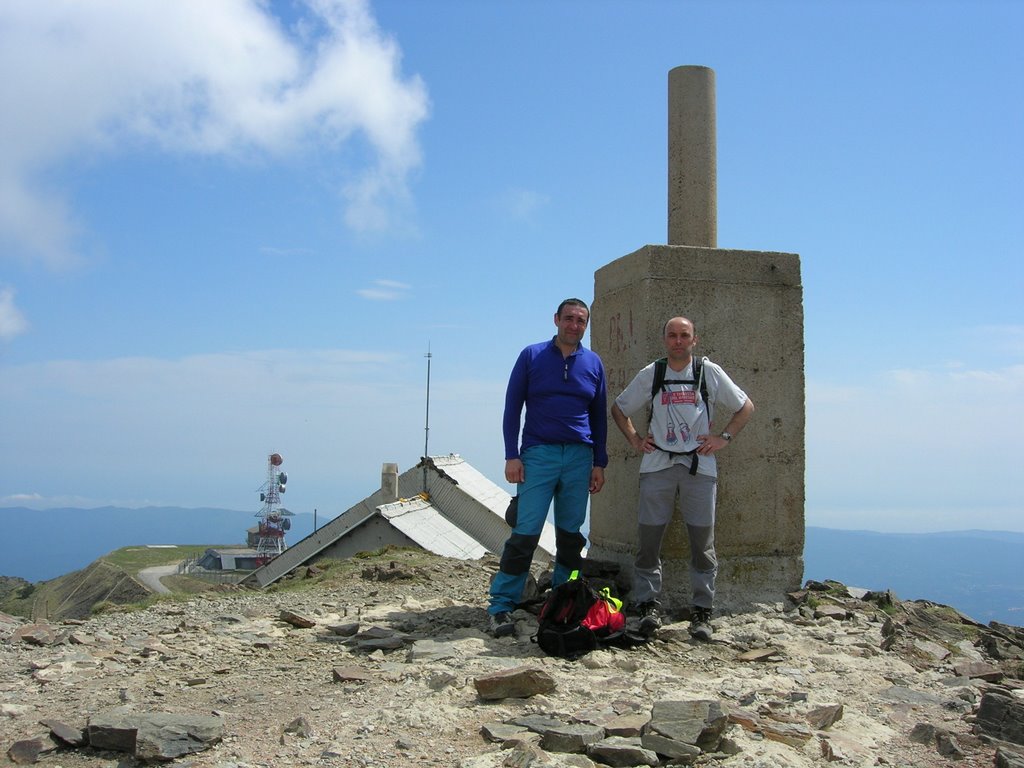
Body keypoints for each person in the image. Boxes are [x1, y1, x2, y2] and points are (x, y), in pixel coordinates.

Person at [610, 316, 753, 641]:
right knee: (649, 541)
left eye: (684, 335)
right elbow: (619, 408)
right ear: (665, 340)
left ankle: (702, 610)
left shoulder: (708, 372)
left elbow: (745, 407)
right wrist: (635, 440)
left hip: (699, 468)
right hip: (656, 465)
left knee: (702, 544)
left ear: (694, 339)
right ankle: (648, 606)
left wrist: (724, 438)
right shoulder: (654, 373)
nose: (678, 341)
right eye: (672, 335)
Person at [487, 298, 609, 637]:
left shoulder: (594, 363)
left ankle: (562, 598)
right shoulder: (532, 355)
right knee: (525, 532)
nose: (574, 325)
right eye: (568, 318)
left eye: (580, 320)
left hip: (580, 457)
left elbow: (599, 416)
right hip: (538, 455)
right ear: (556, 319)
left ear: (586, 325)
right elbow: (512, 407)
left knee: (571, 537)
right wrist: (512, 454)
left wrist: (600, 462)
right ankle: (500, 606)